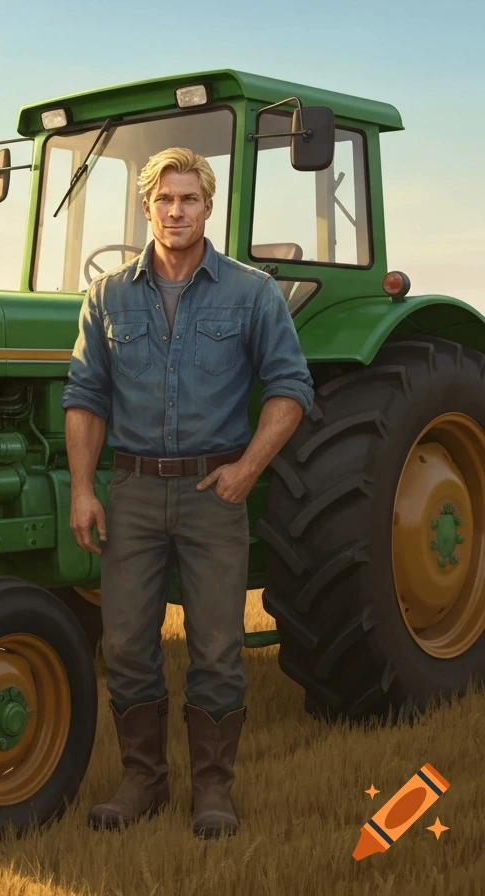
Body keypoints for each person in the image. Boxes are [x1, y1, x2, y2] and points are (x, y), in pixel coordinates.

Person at [60, 146, 314, 838]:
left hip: (214, 492)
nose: (177, 211)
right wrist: (85, 489)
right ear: (148, 208)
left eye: (190, 199)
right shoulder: (109, 294)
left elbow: (292, 387)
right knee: (129, 644)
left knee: (215, 648)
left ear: (209, 207)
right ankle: (143, 778)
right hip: (135, 491)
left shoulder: (250, 291)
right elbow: (86, 394)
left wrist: (249, 469)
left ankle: (212, 790)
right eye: (164, 200)